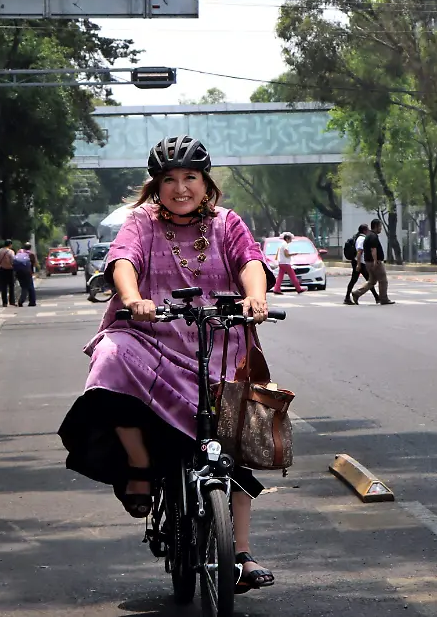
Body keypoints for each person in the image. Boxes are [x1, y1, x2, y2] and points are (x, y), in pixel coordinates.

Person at [58, 135, 277, 593]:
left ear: (206, 182)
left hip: (217, 340)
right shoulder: (141, 221)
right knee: (111, 359)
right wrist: (133, 298)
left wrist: (255, 295)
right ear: (156, 186)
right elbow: (122, 261)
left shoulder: (226, 223)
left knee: (231, 447)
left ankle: (240, 554)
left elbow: (250, 261)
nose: (181, 188)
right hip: (149, 335)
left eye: (190, 178)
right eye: (170, 180)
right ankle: (139, 466)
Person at [351, 220, 393, 305]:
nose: (381, 229)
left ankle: (356, 293)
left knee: (372, 281)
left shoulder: (368, 236)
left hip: (367, 262)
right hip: (375, 262)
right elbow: (373, 250)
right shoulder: (373, 236)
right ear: (376, 226)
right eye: (380, 227)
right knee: (383, 280)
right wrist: (375, 261)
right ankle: (383, 299)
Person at [344, 224, 381, 305]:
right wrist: (358, 264)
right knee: (369, 280)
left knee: (363, 280)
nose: (368, 231)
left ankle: (348, 297)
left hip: (359, 262)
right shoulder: (361, 239)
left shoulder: (360, 237)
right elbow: (359, 252)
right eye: (367, 229)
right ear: (364, 230)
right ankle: (376, 297)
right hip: (359, 263)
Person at [13, 242, 37, 307]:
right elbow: (34, 264)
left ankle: (22, 300)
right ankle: (30, 301)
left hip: (18, 272)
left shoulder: (19, 252)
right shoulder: (31, 254)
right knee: (30, 287)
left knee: (23, 286)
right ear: (30, 247)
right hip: (27, 272)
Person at [0, 241, 16, 306]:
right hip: (10, 269)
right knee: (11, 286)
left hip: (2, 269)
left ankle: (4, 302)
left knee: (3, 286)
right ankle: (12, 301)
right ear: (10, 245)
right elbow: (13, 260)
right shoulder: (11, 252)